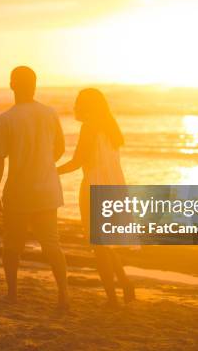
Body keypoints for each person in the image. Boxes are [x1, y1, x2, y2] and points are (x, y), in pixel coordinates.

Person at [0, 66, 69, 309]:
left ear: (12, 84)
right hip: (47, 189)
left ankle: (12, 294)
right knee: (52, 244)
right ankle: (63, 296)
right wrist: (43, 164)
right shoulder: (49, 113)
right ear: (35, 85)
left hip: (19, 192)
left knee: (12, 246)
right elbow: (61, 149)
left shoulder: (6, 119)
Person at [57, 88, 135, 306]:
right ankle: (126, 285)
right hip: (115, 189)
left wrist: (51, 171)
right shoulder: (111, 128)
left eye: (78, 103)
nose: (74, 107)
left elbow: (77, 162)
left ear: (86, 106)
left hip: (94, 189)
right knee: (106, 244)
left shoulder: (89, 127)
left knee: (100, 247)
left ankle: (112, 298)